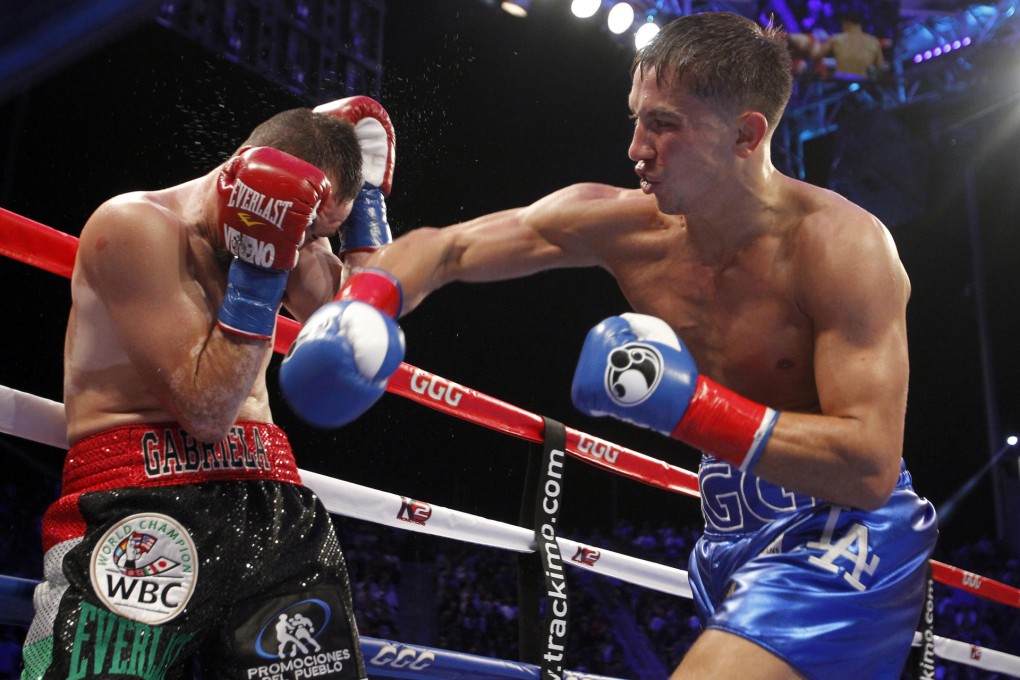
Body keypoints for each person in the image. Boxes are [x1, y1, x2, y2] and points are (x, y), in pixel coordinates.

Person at [282, 12, 938, 680]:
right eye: (636, 120)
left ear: (746, 134)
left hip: (845, 536)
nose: (636, 149)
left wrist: (688, 408)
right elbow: (448, 248)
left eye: (664, 124)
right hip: (725, 538)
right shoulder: (628, 228)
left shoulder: (842, 248)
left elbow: (869, 466)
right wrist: (365, 308)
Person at [20, 95, 401, 680]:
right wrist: (260, 266)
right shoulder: (135, 225)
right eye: (298, 232)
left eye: (315, 236)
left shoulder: (296, 231)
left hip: (273, 502)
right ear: (241, 179)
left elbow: (353, 334)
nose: (302, 251)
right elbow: (206, 411)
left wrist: (364, 213)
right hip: (143, 502)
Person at [820, 9, 887, 79]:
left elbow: (817, 55)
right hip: (863, 83)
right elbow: (880, 66)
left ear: (847, 23)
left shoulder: (837, 39)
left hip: (840, 83)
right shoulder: (874, 42)